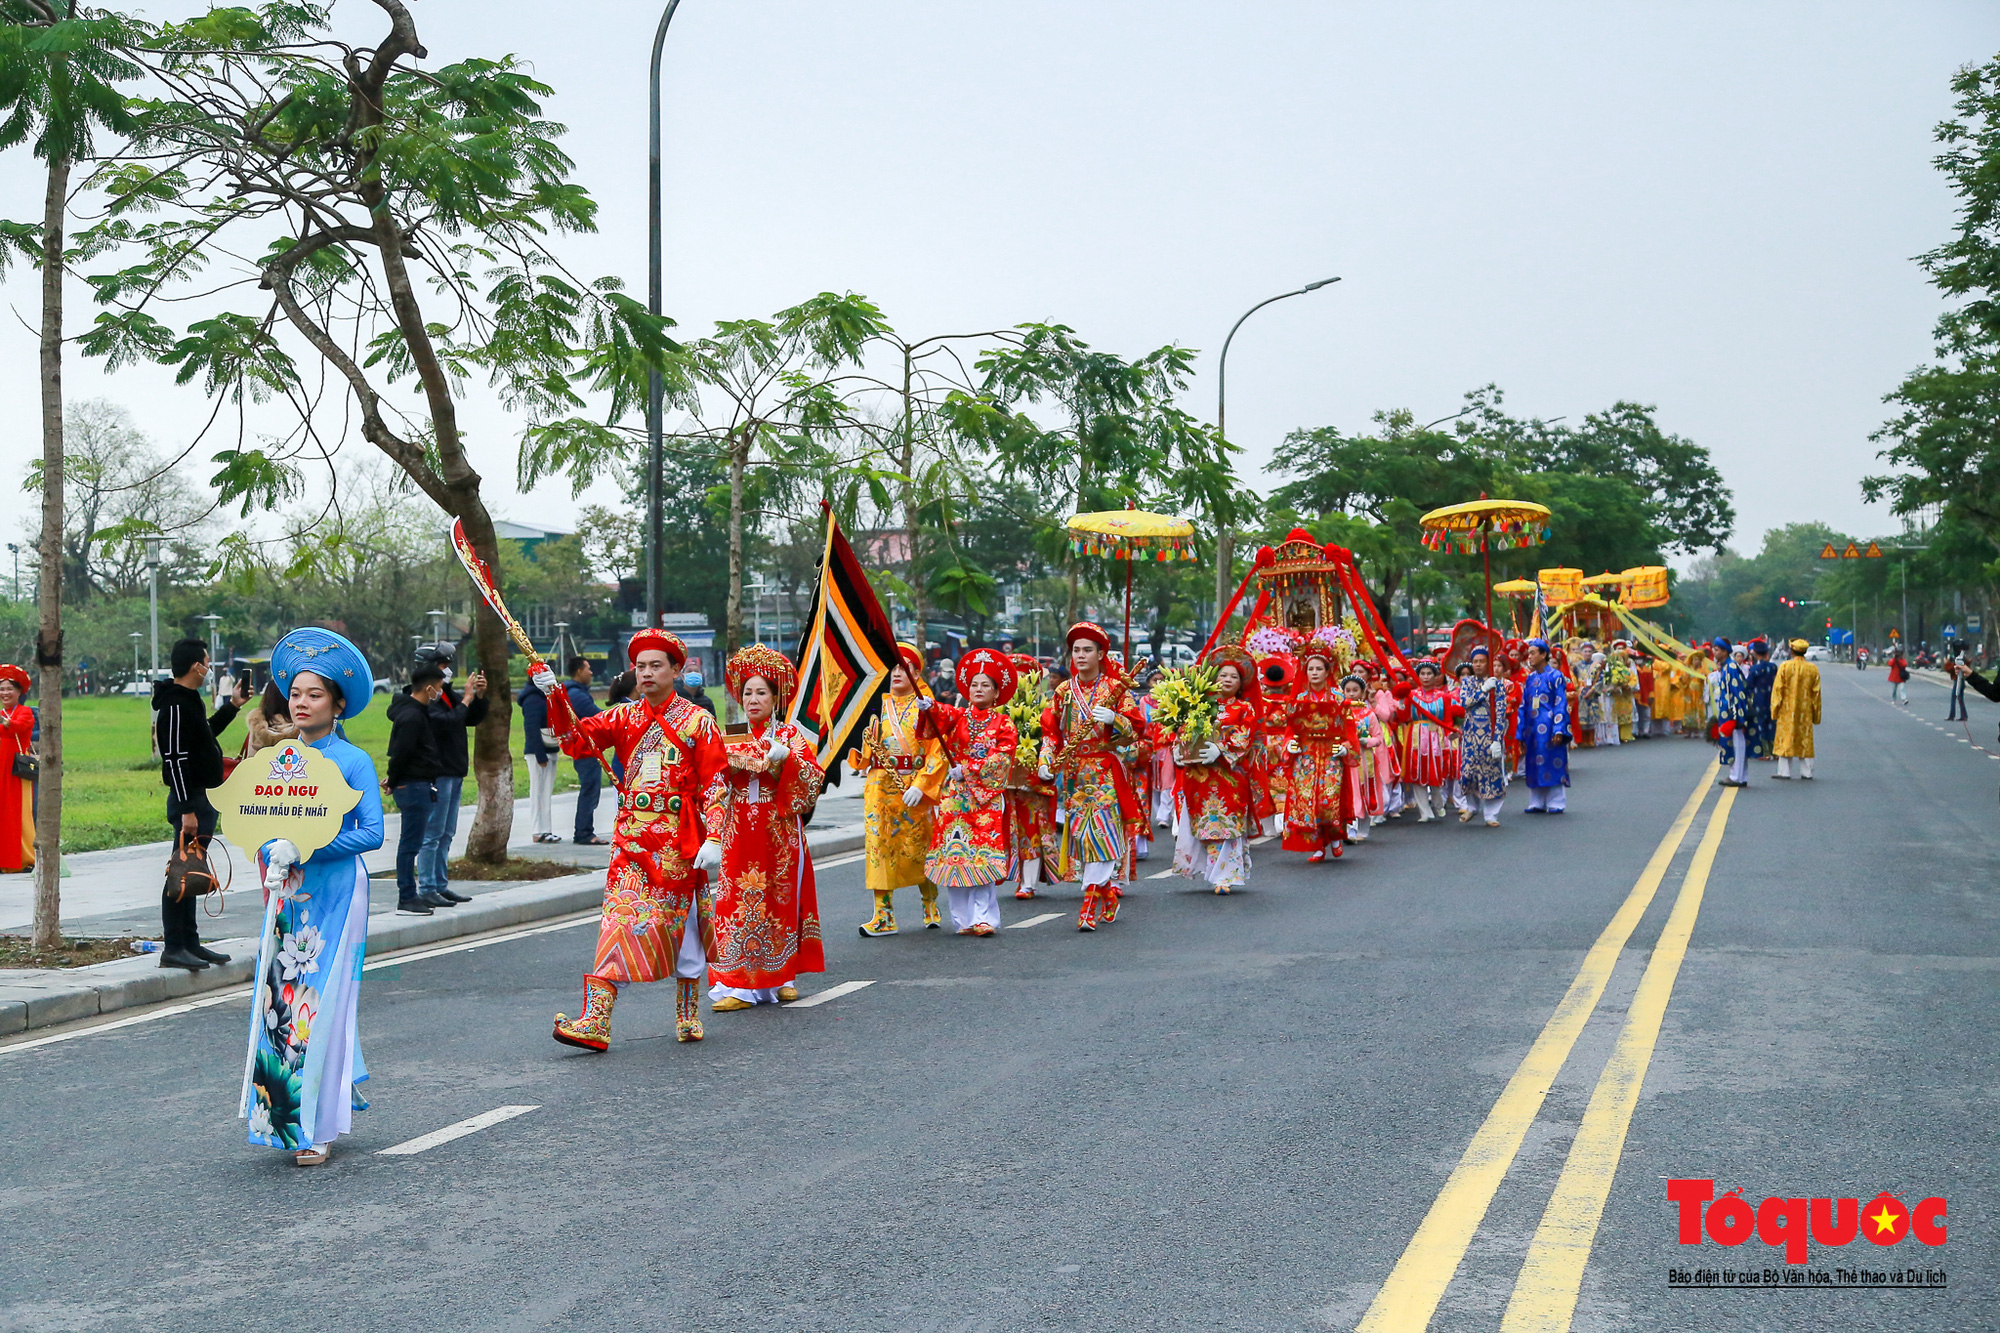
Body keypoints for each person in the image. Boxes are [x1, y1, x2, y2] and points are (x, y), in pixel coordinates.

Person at [539, 629, 726, 1047]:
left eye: (656, 665)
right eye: (640, 666)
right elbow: (576, 741)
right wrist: (555, 697)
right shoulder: (623, 717)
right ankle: (596, 1020)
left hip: (678, 845)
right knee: (618, 923)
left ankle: (687, 1010)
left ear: (677, 670)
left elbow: (715, 783)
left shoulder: (699, 722)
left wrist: (714, 836)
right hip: (630, 843)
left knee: (682, 927)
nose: (646, 673)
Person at [244, 628, 385, 1167]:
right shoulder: (280, 762)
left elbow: (370, 835)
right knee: (278, 1001)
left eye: (315, 695)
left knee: (321, 1002)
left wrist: (305, 848)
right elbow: (259, 820)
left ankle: (319, 1127)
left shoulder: (352, 762)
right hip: (290, 894)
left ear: (338, 703)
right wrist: (271, 851)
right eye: (296, 694)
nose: (301, 704)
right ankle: (279, 1121)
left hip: (338, 893)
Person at [706, 645, 827, 1009]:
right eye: (747, 692)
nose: (753, 699)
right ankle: (737, 985)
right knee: (737, 902)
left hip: (779, 833)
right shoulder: (730, 734)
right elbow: (714, 785)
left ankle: (783, 975)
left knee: (781, 902)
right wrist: (712, 834)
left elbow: (811, 781)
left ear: (776, 697)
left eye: (761, 692)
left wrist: (785, 760)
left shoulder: (791, 736)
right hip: (739, 832)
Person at [1039, 622, 1147, 931]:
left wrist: (1117, 720)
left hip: (1105, 773)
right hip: (1074, 775)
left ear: (1101, 654)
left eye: (1088, 650)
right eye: (1076, 650)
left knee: (1101, 835)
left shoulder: (1115, 688)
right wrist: (1046, 761)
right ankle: (1108, 896)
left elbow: (1136, 730)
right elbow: (1051, 733)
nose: (1081, 655)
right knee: (1083, 840)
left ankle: (1087, 908)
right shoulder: (1062, 691)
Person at [153, 638, 249, 970]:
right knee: (179, 871)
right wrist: (185, 809)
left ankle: (190, 942)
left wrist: (233, 706)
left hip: (202, 798)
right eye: (207, 660)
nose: (210, 666)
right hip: (189, 800)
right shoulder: (175, 705)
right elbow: (175, 760)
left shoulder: (189, 701)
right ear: (197, 666)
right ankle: (174, 946)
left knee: (191, 870)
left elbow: (205, 735)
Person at [915, 648, 1019, 934]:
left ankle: (983, 918)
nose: (979, 689)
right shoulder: (959, 716)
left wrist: (970, 770)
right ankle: (962, 920)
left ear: (997, 692)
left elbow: (1002, 760)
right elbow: (939, 717)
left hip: (984, 800)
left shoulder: (1005, 724)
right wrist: (928, 707)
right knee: (954, 857)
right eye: (974, 684)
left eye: (986, 685)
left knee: (982, 856)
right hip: (955, 800)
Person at [849, 643, 945, 936]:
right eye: (893, 668)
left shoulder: (927, 706)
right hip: (880, 785)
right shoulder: (878, 704)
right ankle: (883, 915)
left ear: (917, 673)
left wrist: (922, 784)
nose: (897, 673)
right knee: (879, 848)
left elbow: (938, 751)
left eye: (905, 667)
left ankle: (930, 902)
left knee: (917, 847)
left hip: (912, 786)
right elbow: (863, 750)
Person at [1169, 646, 1262, 892]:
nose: (1228, 680)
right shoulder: (1198, 705)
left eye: (1234, 676)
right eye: (1223, 675)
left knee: (1226, 822)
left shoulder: (1244, 708)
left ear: (1241, 683)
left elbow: (1245, 736)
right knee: (1204, 824)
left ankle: (1225, 876)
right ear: (1213, 678)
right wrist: (1179, 751)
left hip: (1228, 774)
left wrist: (1221, 749)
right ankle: (1208, 870)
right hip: (1199, 773)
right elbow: (1182, 732)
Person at [385, 665, 450, 914]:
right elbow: (401, 753)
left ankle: (411, 894)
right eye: (440, 689)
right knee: (410, 844)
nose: (440, 694)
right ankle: (407, 896)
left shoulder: (418, 712)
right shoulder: (411, 716)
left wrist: (393, 778)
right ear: (429, 688)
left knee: (413, 841)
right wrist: (394, 779)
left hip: (416, 782)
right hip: (412, 785)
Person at [1283, 640, 1356, 860]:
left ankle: (1335, 838)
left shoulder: (1339, 698)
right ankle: (1316, 845)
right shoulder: (1298, 699)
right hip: (1305, 755)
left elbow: (1349, 728)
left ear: (1327, 671)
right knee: (1307, 799)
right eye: (1310, 668)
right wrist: (1290, 744)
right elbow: (1290, 728)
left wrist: (1345, 747)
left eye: (1318, 668)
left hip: (1331, 752)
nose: (1314, 673)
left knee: (1329, 796)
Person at [421, 665, 487, 902]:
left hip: (455, 770)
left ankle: (440, 883)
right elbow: (448, 721)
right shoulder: (426, 700)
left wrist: (477, 697)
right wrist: (468, 698)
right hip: (439, 771)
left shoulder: (448, 694)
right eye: (441, 664)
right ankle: (427, 887)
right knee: (433, 833)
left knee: (447, 832)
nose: (447, 669)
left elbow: (469, 717)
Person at [1398, 658, 1464, 822]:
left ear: (1435, 676)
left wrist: (1451, 734)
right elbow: (1403, 717)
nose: (1426, 677)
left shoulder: (1444, 697)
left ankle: (1438, 803)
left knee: (1436, 773)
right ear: (1417, 676)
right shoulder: (1411, 696)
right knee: (1416, 772)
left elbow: (1447, 720)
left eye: (1429, 673)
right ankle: (1424, 811)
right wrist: (1400, 701)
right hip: (1415, 737)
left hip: (1436, 737)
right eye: (1422, 673)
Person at [1454, 646, 1509, 827]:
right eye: (1475, 661)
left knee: (1491, 773)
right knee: (1468, 771)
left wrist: (1497, 740)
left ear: (1488, 664)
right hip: (1470, 735)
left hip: (1489, 734)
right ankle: (1471, 806)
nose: (1478, 665)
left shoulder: (1498, 684)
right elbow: (1465, 702)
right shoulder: (1467, 682)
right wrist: (1483, 690)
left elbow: (1500, 713)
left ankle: (1491, 815)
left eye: (1481, 661)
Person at [1516, 638, 1572, 813]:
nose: (1529, 657)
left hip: (1550, 728)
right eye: (1529, 653)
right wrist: (1521, 733)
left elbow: (1560, 703)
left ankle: (1556, 802)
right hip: (1532, 730)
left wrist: (1559, 729)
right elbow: (1524, 706)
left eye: (1533, 653)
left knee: (1552, 761)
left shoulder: (1556, 676)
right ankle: (1537, 801)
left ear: (1544, 654)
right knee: (1533, 763)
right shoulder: (1530, 679)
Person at [561, 657, 607, 845]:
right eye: (588, 668)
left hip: (586, 748)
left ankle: (584, 830)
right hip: (585, 749)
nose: (591, 672)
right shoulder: (577, 695)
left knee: (591, 789)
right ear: (579, 671)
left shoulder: (576, 692)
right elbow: (597, 716)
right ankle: (583, 832)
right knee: (589, 789)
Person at [1770, 638, 1823, 780]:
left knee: (1785, 738)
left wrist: (1775, 710)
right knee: (1804, 739)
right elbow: (1816, 693)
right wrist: (1816, 714)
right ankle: (1807, 772)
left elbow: (1777, 690)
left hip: (1786, 710)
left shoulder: (1784, 667)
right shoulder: (1812, 669)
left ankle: (1784, 772)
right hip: (1805, 711)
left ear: (1791, 651)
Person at [518, 670, 560, 843]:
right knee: (538, 791)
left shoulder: (544, 697)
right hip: (539, 752)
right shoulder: (533, 699)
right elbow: (531, 728)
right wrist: (540, 755)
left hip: (549, 749)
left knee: (546, 791)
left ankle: (546, 829)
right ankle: (538, 829)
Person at [0, 665, 34, 873]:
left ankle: (25, 859)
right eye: (2, 689)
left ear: (19, 692)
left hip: (17, 770)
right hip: (0, 768)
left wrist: (4, 721)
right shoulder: (2, 713)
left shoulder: (25, 712)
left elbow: (16, 727)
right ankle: (4, 861)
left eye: (9, 689)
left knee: (19, 813)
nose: (5, 693)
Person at [1713, 644, 1753, 787]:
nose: (1714, 652)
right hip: (1731, 711)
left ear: (1724, 652)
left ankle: (1736, 776)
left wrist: (1736, 714)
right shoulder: (1728, 666)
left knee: (1736, 743)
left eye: (1717, 650)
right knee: (1738, 743)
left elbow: (1735, 692)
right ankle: (1740, 776)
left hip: (1733, 713)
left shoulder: (1730, 668)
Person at [1745, 640, 1778, 760]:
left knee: (1761, 725)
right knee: (1772, 725)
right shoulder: (1773, 667)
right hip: (1772, 699)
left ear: (1756, 654)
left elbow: (1749, 686)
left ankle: (1766, 752)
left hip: (1759, 700)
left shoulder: (1754, 669)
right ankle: (1775, 751)